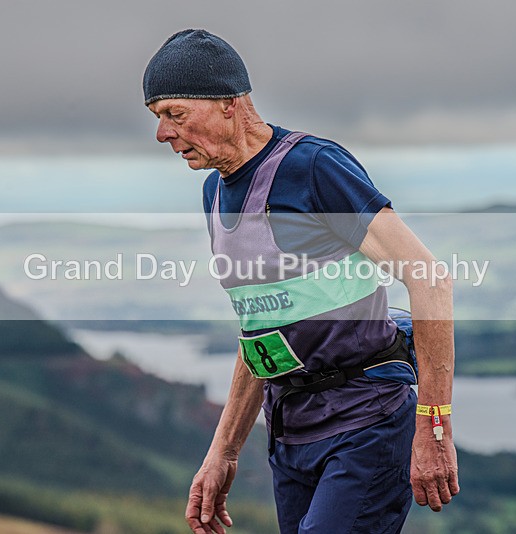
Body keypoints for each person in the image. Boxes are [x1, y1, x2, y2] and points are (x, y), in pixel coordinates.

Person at [143, 29, 458, 534]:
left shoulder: (311, 167)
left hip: (365, 418)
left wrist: (434, 424)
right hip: (290, 434)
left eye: (175, 114)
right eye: (157, 118)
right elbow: (261, 333)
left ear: (230, 102)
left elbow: (429, 279)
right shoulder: (215, 194)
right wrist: (223, 452)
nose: (163, 134)